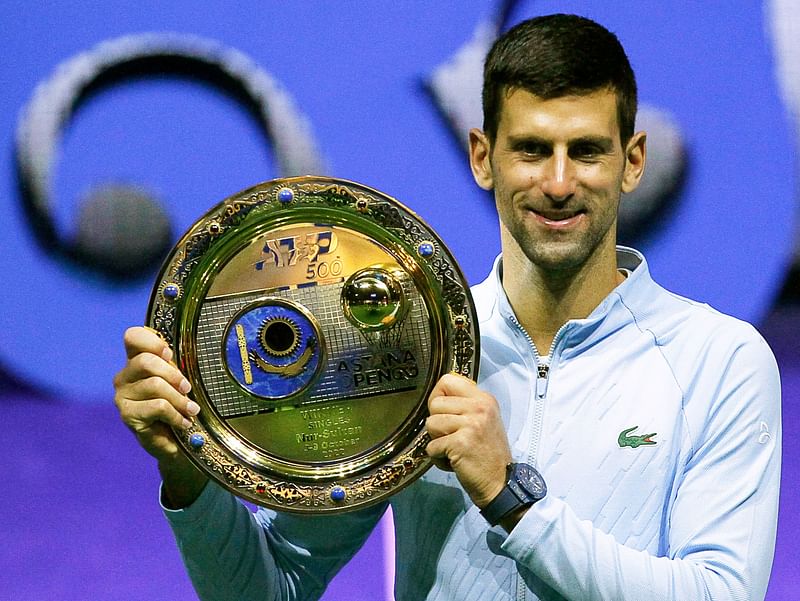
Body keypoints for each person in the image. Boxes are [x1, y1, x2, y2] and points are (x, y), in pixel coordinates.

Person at [113, 13, 781, 601]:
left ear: (633, 161)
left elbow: (718, 592)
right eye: (530, 150)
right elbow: (272, 588)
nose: (556, 182)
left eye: (586, 152)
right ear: (482, 156)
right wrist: (186, 470)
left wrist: (511, 498)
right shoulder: (406, 347)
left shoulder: (719, 360)